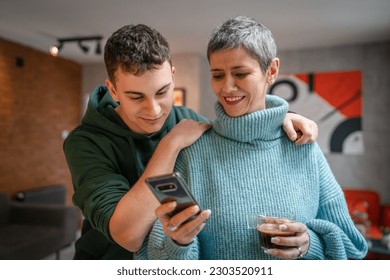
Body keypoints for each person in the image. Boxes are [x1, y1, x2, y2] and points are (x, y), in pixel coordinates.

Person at [63, 23, 319, 259]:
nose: (154, 111)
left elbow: (234, 130)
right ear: (113, 89)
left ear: (173, 76)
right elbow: (128, 236)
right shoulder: (84, 142)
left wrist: (283, 116)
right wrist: (170, 145)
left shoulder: (186, 119)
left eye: (162, 92)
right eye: (136, 97)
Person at [134, 16, 368, 260]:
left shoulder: (304, 147)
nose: (227, 88)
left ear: (272, 71)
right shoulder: (193, 153)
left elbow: (353, 249)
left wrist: (310, 245)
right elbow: (153, 259)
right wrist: (179, 243)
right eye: (217, 75)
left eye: (241, 73)